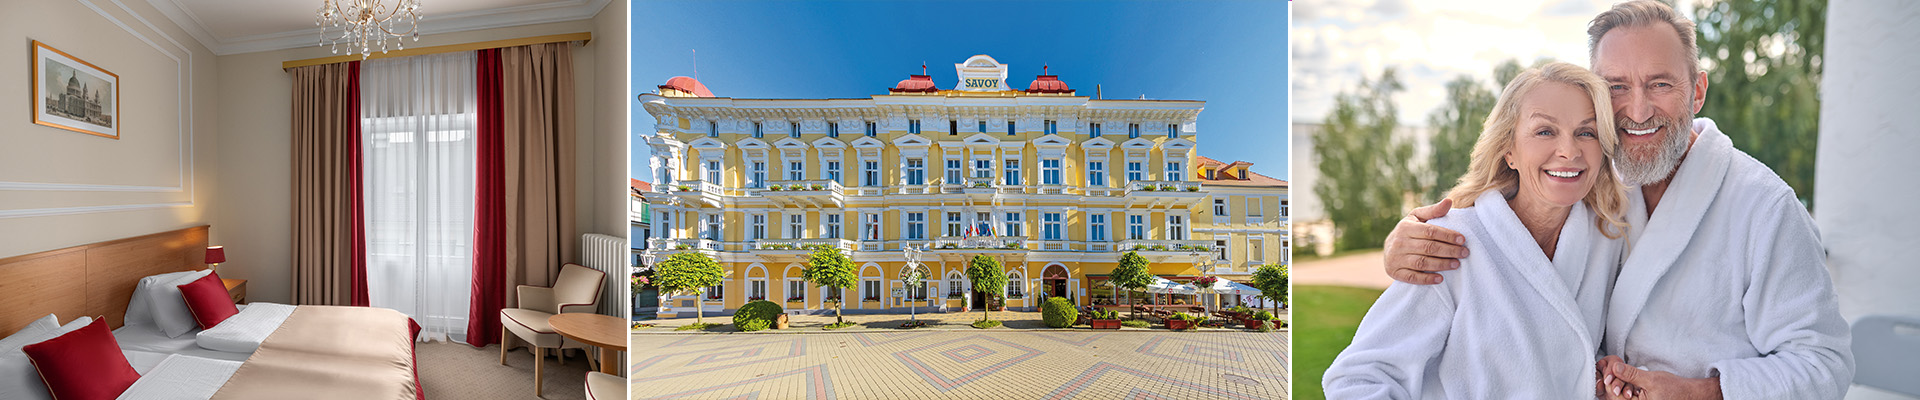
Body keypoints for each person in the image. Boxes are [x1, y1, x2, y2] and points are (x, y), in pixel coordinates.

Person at [1377, 2, 1853, 398]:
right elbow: (1518, 204)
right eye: (1617, 87)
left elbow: (1825, 364)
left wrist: (1701, 392)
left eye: (1660, 84)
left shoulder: (1765, 207)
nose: (1638, 110)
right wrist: (1416, 237)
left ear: (1697, 92)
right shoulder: (1596, 184)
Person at [1324, 62, 1628, 399]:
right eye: (1545, 131)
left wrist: (1602, 374)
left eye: (1587, 132)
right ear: (1509, 151)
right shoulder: (1449, 243)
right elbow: (1358, 379)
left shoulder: (1608, 238)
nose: (1569, 151)